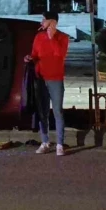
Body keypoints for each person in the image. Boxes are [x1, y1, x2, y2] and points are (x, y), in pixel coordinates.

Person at [24, 11, 70, 156]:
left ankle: (60, 144)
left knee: (57, 111)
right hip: (40, 78)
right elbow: (35, 54)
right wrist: (29, 58)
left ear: (53, 22)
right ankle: (45, 142)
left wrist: (52, 38)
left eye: (44, 20)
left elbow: (60, 54)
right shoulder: (38, 36)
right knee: (42, 111)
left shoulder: (63, 37)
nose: (41, 23)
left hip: (55, 78)